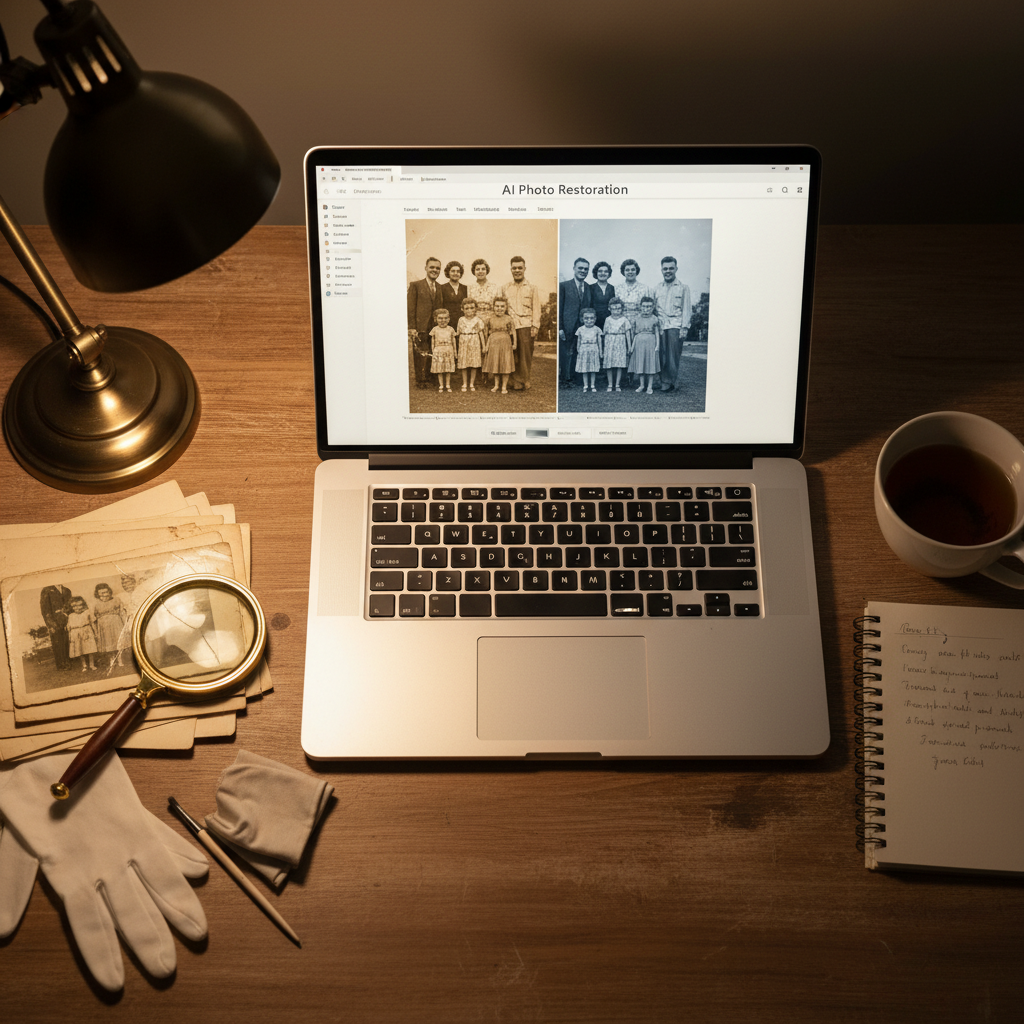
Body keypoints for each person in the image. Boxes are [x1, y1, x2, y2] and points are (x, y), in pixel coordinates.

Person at [653, 256, 692, 392]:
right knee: (660, 354)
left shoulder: (683, 288)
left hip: (675, 325)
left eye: (671, 268)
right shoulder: (657, 288)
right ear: (661, 270)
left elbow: (687, 309)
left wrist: (685, 327)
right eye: (665, 269)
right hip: (660, 326)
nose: (668, 271)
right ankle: (661, 380)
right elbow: (653, 309)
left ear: (676, 269)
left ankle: (670, 382)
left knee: (673, 356)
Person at [502, 256, 541, 391]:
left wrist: (535, 326)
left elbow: (536, 307)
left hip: (526, 325)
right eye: (514, 268)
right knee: (512, 354)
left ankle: (525, 379)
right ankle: (513, 380)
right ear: (511, 269)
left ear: (525, 269)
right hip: (510, 326)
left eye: (520, 268)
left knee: (525, 355)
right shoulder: (505, 288)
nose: (517, 270)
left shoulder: (532, 287)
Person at [407, 257, 445, 388]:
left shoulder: (440, 287)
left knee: (433, 351)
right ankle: (421, 380)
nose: (435, 270)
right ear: (426, 268)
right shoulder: (415, 285)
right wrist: (412, 327)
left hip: (435, 326)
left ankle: (431, 378)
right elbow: (410, 308)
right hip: (420, 325)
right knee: (420, 353)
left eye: (437, 268)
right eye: (432, 267)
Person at [558, 257, 592, 388]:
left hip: (583, 326)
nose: (583, 271)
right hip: (568, 325)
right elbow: (560, 308)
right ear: (574, 269)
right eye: (580, 268)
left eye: (586, 269)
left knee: (579, 352)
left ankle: (576, 378)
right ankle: (565, 379)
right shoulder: (564, 286)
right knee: (566, 352)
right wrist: (560, 327)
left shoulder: (589, 288)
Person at [482, 295, 516, 394]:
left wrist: (515, 344)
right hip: (494, 344)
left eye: (502, 306)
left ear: (506, 307)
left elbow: (513, 331)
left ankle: (504, 386)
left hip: (505, 344)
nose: (499, 308)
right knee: (496, 364)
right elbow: (487, 333)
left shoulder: (509, 319)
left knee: (505, 364)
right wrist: (486, 345)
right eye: (497, 306)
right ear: (493, 307)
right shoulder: (490, 319)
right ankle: (496, 385)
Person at [628, 295, 661, 394]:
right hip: (639, 344)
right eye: (644, 306)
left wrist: (657, 345)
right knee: (640, 365)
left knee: (650, 365)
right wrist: (632, 347)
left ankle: (649, 386)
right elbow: (635, 334)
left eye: (649, 307)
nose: (646, 309)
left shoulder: (654, 319)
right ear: (640, 307)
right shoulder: (636, 318)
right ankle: (642, 385)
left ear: (652, 307)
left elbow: (657, 333)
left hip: (651, 343)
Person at [92, 582, 126, 670]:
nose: (104, 595)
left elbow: (122, 612)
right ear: (98, 594)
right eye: (101, 593)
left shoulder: (116, 600)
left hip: (116, 624)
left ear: (109, 592)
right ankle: (112, 659)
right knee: (108, 643)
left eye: (106, 592)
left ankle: (120, 659)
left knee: (118, 642)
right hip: (104, 627)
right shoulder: (96, 604)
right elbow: (94, 618)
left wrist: (125, 624)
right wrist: (96, 631)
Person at [601, 296, 632, 391]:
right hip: (610, 341)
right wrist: (603, 347)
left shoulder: (624, 320)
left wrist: (629, 346)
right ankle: (610, 384)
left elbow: (627, 333)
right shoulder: (607, 319)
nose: (616, 311)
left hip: (620, 340)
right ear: (609, 309)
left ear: (622, 309)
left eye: (618, 308)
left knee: (619, 363)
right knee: (609, 364)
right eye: (614, 308)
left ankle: (617, 384)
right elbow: (604, 333)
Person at [39, 583, 71, 671]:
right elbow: (45, 610)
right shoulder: (47, 590)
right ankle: (61, 664)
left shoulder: (67, 590)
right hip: (54, 622)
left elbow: (70, 605)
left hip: (67, 620)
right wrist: (51, 625)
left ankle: (69, 661)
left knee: (67, 640)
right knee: (58, 642)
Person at [456, 299, 484, 392]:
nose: (469, 310)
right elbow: (458, 332)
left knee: (474, 363)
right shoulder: (461, 319)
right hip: (464, 341)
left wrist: (483, 346)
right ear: (462, 309)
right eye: (466, 308)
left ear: (475, 309)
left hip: (474, 340)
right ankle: (464, 383)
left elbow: (481, 333)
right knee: (464, 363)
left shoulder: (478, 320)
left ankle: (471, 383)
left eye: (472, 308)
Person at [616, 259, 651, 329]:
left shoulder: (644, 289)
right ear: (623, 272)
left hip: (640, 323)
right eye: (627, 270)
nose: (630, 272)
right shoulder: (617, 289)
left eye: (633, 269)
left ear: (636, 271)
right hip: (622, 324)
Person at [574, 308, 603, 392]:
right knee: (585, 369)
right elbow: (578, 341)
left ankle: (593, 385)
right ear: (582, 319)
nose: (589, 320)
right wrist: (578, 350)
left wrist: (600, 352)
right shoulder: (580, 329)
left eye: (591, 318)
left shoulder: (597, 329)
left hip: (593, 349)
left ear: (595, 319)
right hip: (584, 351)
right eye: (586, 318)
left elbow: (599, 342)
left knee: (593, 369)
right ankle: (586, 385)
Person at [66, 595, 97, 672]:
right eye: (75, 606)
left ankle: (92, 664)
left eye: (80, 605)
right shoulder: (71, 616)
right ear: (71, 607)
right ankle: (84, 665)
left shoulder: (87, 612)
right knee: (79, 649)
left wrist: (95, 632)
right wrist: (70, 637)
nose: (78, 608)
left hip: (86, 631)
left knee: (90, 649)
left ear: (83, 605)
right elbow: (69, 627)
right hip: (76, 633)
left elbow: (92, 623)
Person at [429, 308, 457, 392]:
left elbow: (453, 341)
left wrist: (455, 352)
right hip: (438, 350)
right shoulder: (435, 329)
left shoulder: (451, 329)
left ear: (448, 319)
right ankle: (441, 385)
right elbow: (433, 341)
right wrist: (433, 351)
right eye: (440, 318)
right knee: (440, 369)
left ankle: (448, 385)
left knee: (448, 369)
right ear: (435, 319)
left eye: (445, 318)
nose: (443, 320)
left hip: (449, 350)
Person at [439, 261, 468, 329]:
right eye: (453, 271)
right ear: (448, 272)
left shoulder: (465, 288)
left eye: (458, 271)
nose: (455, 273)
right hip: (447, 322)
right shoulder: (442, 288)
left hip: (462, 323)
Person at [590, 262, 616, 327]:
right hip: (593, 322)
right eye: (600, 271)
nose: (603, 273)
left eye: (606, 271)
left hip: (610, 322)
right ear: (596, 273)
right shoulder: (590, 288)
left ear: (609, 274)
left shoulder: (613, 288)